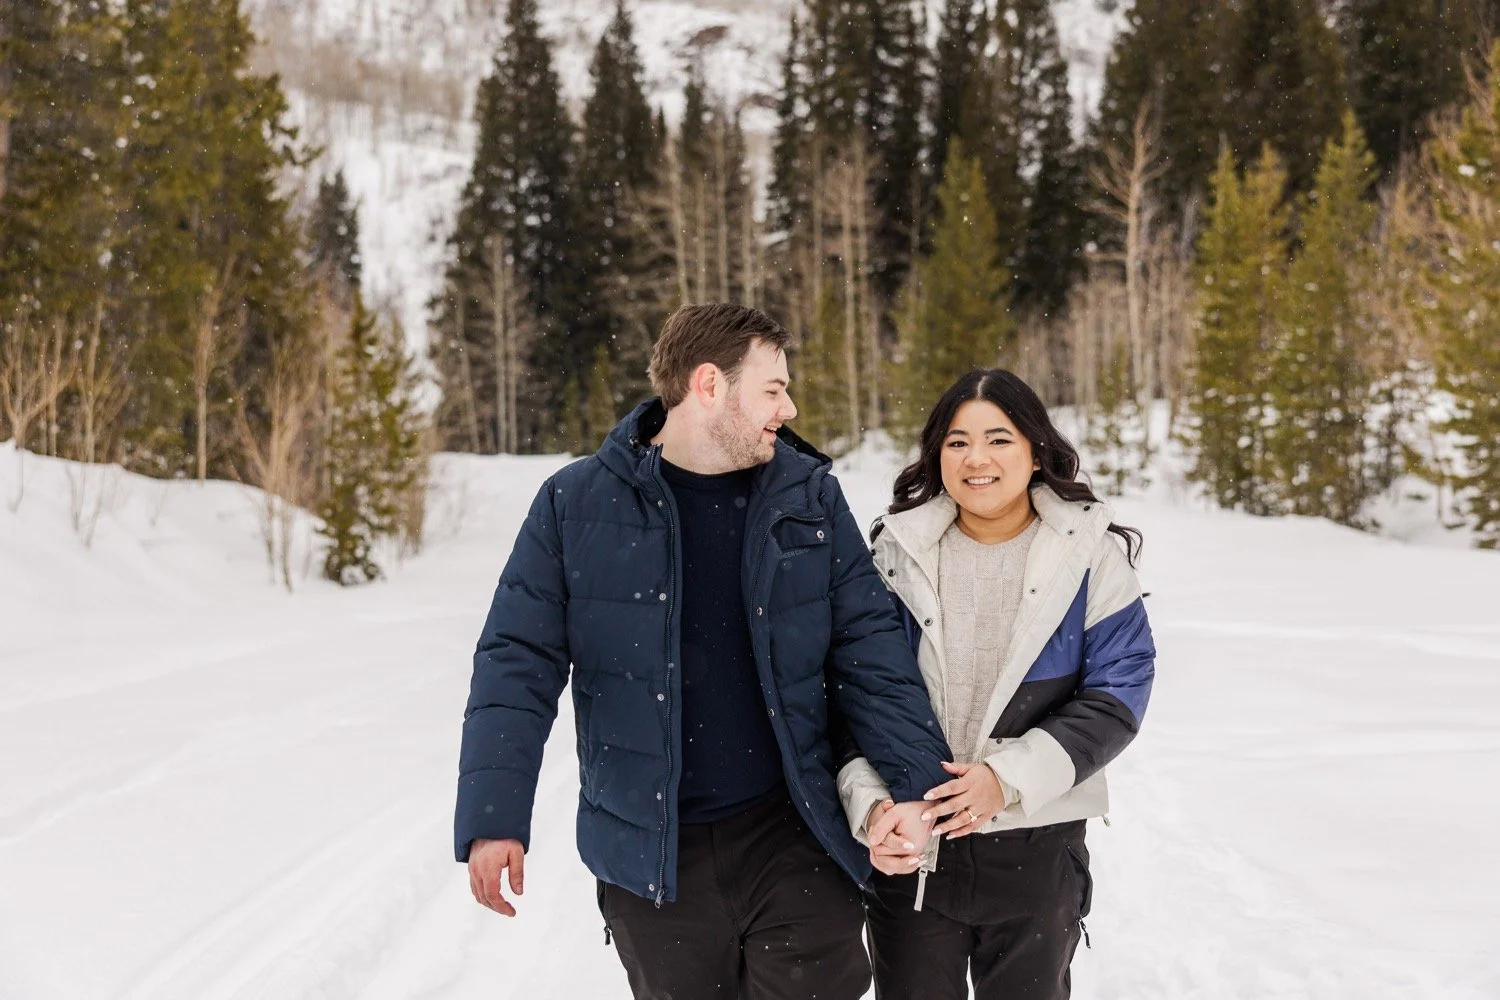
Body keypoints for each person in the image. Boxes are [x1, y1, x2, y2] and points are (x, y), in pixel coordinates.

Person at [455, 303, 953, 1000]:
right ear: (710, 385)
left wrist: (912, 787)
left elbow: (870, 651)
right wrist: (493, 817)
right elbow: (516, 664)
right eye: (773, 389)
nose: (790, 406)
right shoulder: (575, 505)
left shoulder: (808, 500)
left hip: (795, 834)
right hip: (654, 855)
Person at [838, 368, 1156, 1000]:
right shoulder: (894, 554)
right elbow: (852, 695)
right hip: (915, 843)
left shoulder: (1088, 555)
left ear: (1036, 451)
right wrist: (875, 807)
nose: (975, 459)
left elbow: (1119, 691)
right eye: (956, 442)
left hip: (1034, 843)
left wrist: (1004, 778)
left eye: (998, 439)